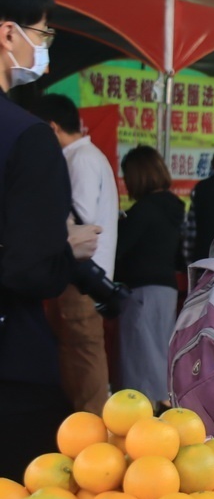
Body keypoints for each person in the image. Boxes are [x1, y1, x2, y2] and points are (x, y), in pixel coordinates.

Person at [0, 0, 100, 480]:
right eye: (42, 33)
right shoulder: (25, 136)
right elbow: (29, 270)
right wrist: (65, 250)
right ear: (8, 33)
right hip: (11, 368)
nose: (44, 46)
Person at [30, 93, 120, 415]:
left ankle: (93, 433)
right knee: (75, 355)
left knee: (83, 356)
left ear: (51, 128)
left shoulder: (79, 159)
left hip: (81, 276)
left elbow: (77, 221)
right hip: (75, 274)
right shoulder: (83, 156)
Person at [115, 146, 183, 410]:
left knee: (139, 360)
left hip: (141, 290)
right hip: (166, 289)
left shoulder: (143, 210)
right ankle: (164, 410)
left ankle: (143, 418)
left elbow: (119, 249)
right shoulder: (174, 209)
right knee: (159, 356)